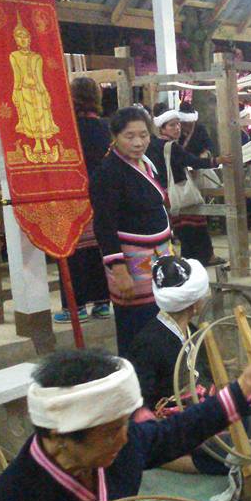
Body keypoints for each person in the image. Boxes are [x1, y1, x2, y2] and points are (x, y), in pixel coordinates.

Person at [0, 347, 251, 501]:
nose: (124, 437)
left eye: (125, 423)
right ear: (61, 437)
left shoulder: (122, 445)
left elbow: (175, 432)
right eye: (111, 432)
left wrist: (243, 387)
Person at [124, 256, 251, 474]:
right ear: (195, 303)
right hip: (175, 422)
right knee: (226, 447)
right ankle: (171, 457)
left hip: (200, 408)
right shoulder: (148, 343)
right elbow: (139, 403)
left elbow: (206, 374)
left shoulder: (192, 331)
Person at [89, 107, 173, 356]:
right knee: (137, 325)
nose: (138, 142)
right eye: (130, 136)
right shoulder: (108, 172)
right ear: (115, 137)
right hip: (132, 264)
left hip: (160, 256)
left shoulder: (147, 164)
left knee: (162, 322)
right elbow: (104, 225)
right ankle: (137, 375)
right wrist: (118, 269)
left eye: (144, 135)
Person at [54, 77, 111, 324]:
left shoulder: (66, 128)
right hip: (100, 197)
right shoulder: (105, 128)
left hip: (72, 196)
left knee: (72, 251)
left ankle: (74, 307)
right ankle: (102, 303)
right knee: (98, 248)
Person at [147, 105, 230, 266]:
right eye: (172, 125)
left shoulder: (153, 145)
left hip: (165, 191)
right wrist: (216, 161)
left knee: (183, 227)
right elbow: (192, 161)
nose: (177, 128)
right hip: (179, 190)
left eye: (178, 124)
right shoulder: (171, 146)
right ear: (162, 128)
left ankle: (190, 259)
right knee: (196, 224)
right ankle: (203, 257)